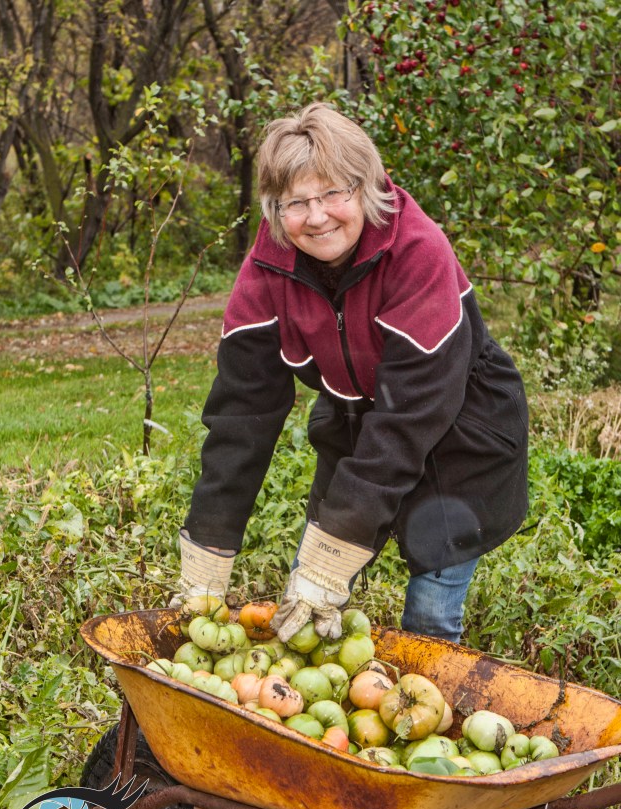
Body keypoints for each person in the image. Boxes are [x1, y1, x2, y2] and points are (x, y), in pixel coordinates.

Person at [176, 102, 528, 644]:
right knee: (305, 609)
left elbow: (407, 422)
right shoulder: (270, 266)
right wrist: (207, 553)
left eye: (334, 193)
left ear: (365, 188)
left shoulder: (417, 252)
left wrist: (329, 565)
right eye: (296, 202)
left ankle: (429, 704)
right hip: (355, 415)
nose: (317, 217)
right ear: (275, 208)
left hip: (459, 427)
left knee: (429, 616)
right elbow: (241, 417)